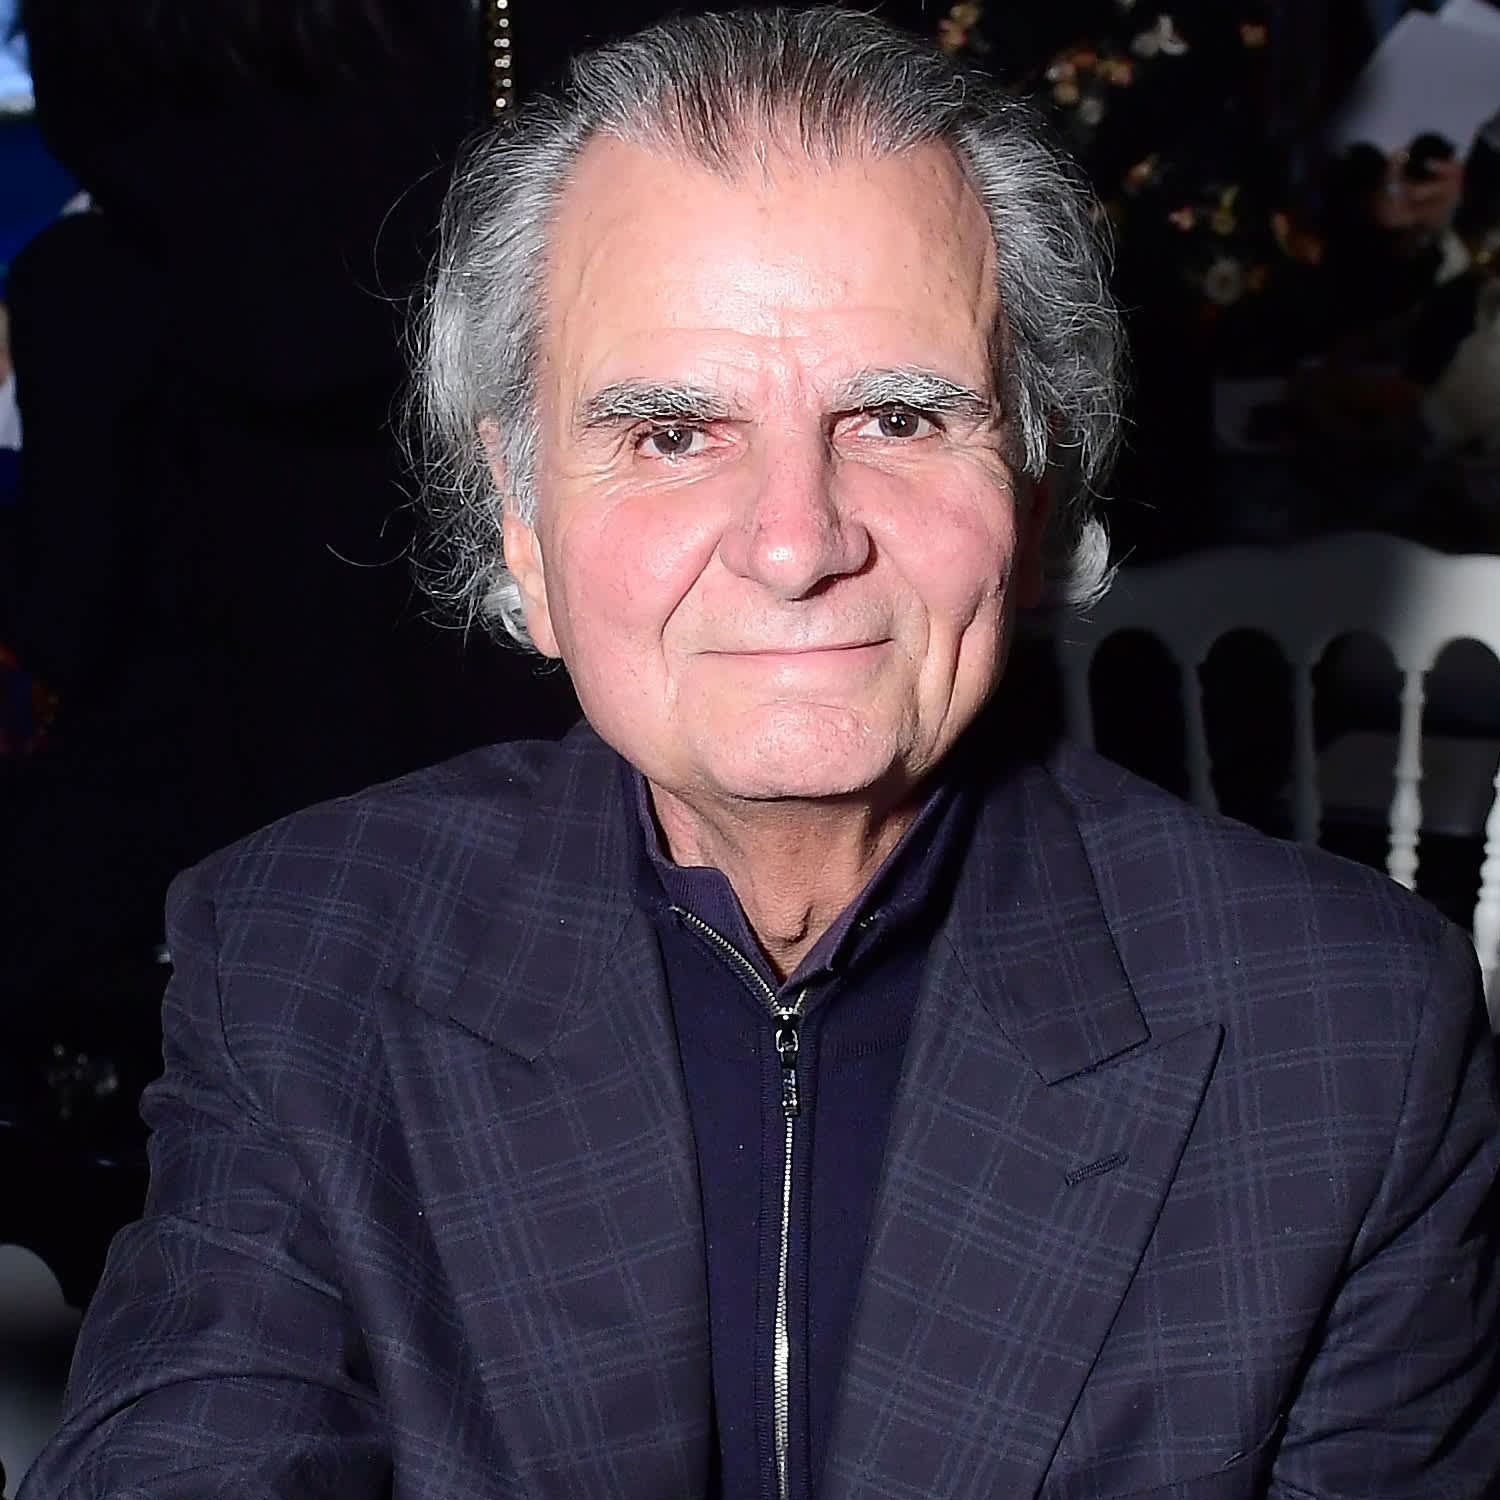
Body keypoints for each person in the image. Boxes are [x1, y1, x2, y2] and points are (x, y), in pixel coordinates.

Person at [21, 9, 1500, 1498]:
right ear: (521, 522)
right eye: (672, 433)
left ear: (1035, 488)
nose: (797, 543)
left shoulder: (1347, 1037)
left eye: (900, 416)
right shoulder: (302, 958)